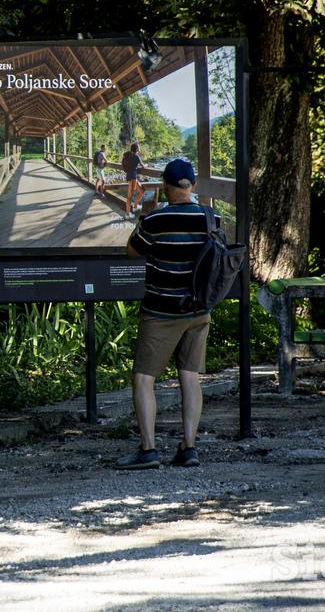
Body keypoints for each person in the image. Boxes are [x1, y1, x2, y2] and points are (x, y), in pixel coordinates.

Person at [115, 158, 215, 470]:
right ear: (193, 186)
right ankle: (188, 447)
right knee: (190, 377)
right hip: (198, 310)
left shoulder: (156, 220)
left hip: (161, 311)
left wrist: (145, 215)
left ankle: (148, 449)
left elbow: (132, 251)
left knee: (144, 378)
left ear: (164, 187)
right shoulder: (211, 218)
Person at [121, 142, 144, 218]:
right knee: (130, 196)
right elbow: (143, 166)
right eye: (138, 146)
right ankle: (127, 214)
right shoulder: (136, 157)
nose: (139, 147)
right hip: (132, 178)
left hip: (130, 176)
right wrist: (146, 165)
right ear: (136, 149)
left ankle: (135, 206)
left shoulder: (127, 156)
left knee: (141, 191)